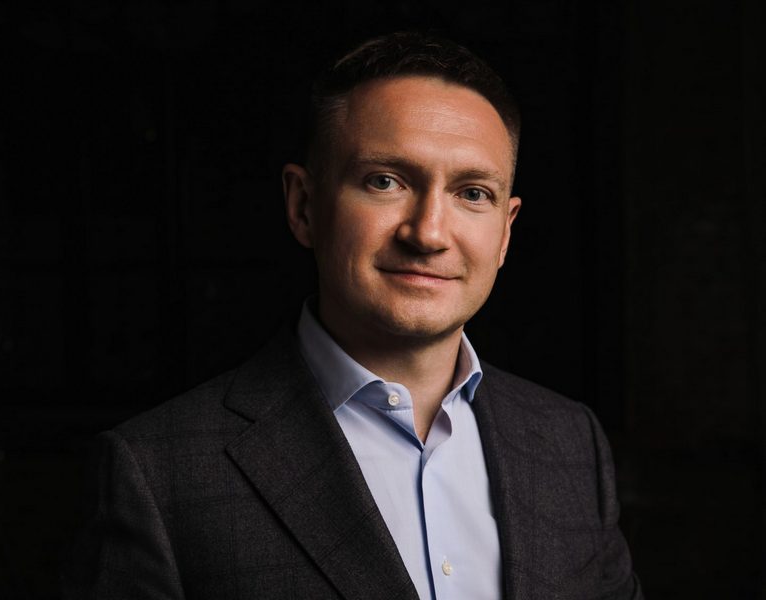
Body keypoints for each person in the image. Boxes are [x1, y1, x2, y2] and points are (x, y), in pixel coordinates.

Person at [62, 31, 643, 600]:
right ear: (304, 206)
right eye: (385, 181)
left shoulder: (570, 442)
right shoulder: (156, 471)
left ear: (505, 233)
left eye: (472, 193)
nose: (428, 234)